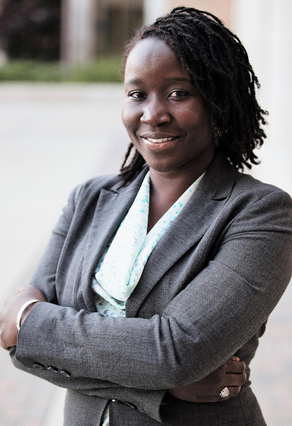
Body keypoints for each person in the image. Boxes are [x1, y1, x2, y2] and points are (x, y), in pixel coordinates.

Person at [1, 6, 292, 426]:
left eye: (178, 93)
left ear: (218, 100)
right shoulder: (90, 198)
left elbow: (176, 350)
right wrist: (160, 380)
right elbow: (15, 343)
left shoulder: (260, 214)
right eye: (137, 94)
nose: (152, 114)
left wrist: (32, 321)